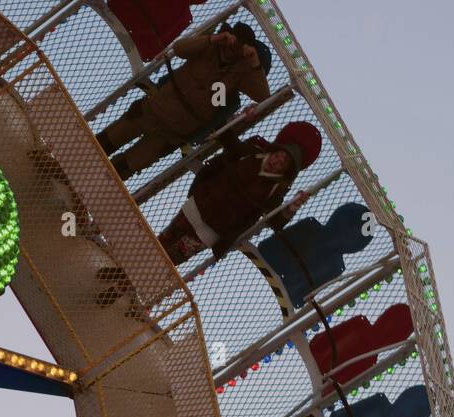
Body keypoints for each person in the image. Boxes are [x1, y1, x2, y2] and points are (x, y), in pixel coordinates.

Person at [96, 23, 272, 180]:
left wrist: (254, 63)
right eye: (235, 40)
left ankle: (94, 188)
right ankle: (73, 161)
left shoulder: (239, 75)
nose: (233, 46)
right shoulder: (207, 46)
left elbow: (263, 97)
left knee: (129, 165)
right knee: (109, 139)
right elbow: (180, 49)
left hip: (172, 132)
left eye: (240, 45)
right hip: (154, 109)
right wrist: (213, 39)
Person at [156, 121, 322, 267]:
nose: (276, 161)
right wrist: (237, 117)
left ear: (286, 171)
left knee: (171, 261)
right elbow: (230, 141)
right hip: (196, 206)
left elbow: (275, 221)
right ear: (275, 150)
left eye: (282, 163)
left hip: (211, 231)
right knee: (160, 241)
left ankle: (140, 282)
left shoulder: (275, 191)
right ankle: (130, 269)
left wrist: (291, 208)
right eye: (279, 155)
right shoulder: (251, 152)